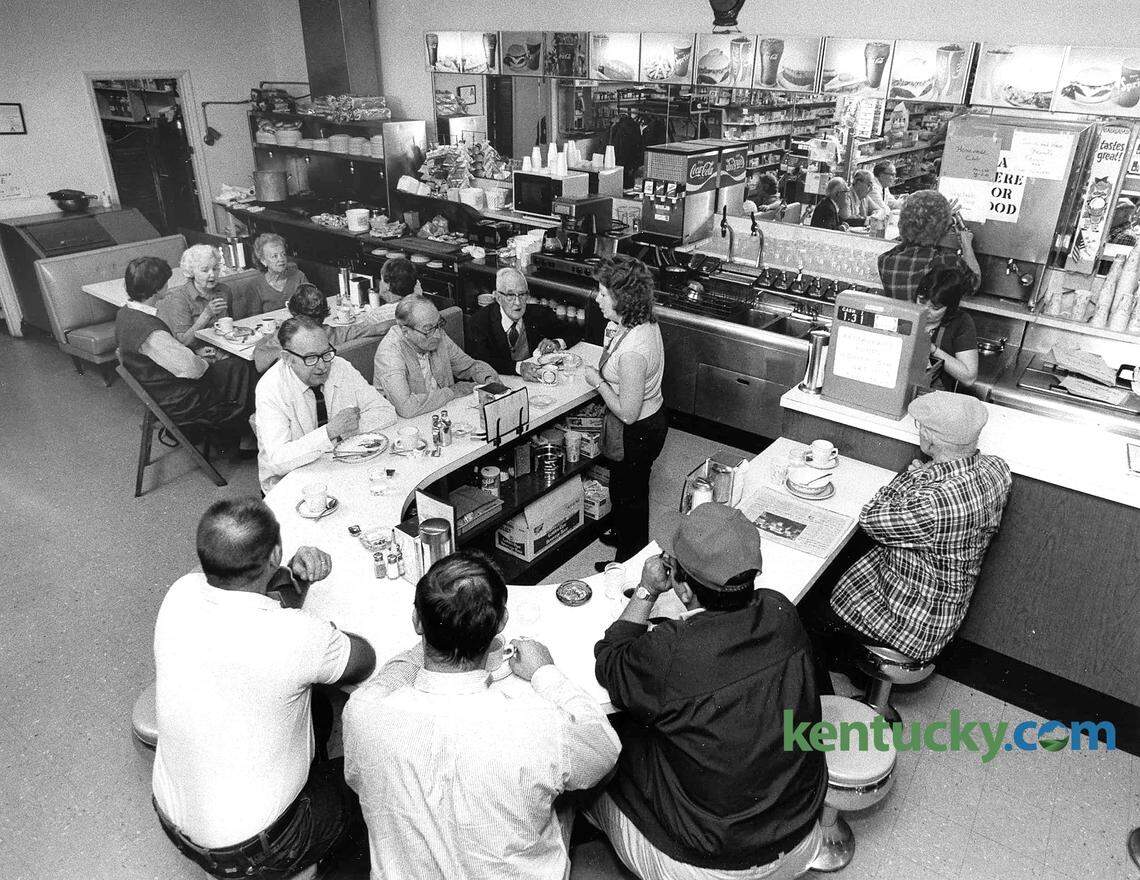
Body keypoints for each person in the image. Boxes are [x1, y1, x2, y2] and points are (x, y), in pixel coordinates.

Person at [344, 550, 620, 880]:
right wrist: (545, 672)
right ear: (501, 623)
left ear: (416, 621)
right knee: (569, 783)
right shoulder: (538, 723)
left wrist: (441, 627)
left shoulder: (363, 711)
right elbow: (605, 750)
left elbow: (387, 680)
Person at [589, 503, 827, 880]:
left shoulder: (671, 650)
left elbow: (610, 659)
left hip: (711, 864)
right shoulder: (781, 610)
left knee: (595, 764)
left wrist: (647, 590)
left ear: (681, 586)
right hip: (802, 835)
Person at [152, 497, 376, 878]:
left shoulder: (180, 593)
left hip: (173, 820)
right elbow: (364, 659)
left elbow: (255, 608)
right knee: (368, 785)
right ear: (275, 555)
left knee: (317, 708)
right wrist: (323, 634)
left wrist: (294, 581)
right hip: (252, 848)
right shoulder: (295, 637)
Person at [816, 392, 1011, 667]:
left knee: (815, 607)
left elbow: (870, 518)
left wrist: (908, 478)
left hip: (910, 624)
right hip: (943, 608)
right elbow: (948, 492)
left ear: (930, 438)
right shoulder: (997, 470)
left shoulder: (932, 505)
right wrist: (926, 474)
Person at [115, 256, 254, 445]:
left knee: (231, 366)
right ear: (156, 289)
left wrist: (194, 354)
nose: (168, 286)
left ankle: (231, 432)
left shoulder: (126, 313)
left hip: (159, 388)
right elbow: (193, 370)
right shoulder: (150, 330)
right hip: (179, 400)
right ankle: (237, 437)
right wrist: (206, 361)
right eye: (166, 282)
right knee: (240, 367)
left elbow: (166, 355)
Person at [584, 256, 667, 567]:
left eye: (603, 293)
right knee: (623, 487)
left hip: (637, 430)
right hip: (651, 419)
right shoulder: (643, 321)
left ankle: (628, 562)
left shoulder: (634, 350)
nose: (597, 298)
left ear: (622, 299)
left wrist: (597, 381)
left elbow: (627, 413)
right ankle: (622, 532)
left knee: (631, 496)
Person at [255, 316, 397, 492]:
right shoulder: (270, 387)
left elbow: (386, 412)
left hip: (340, 467)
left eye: (325, 353)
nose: (323, 366)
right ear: (287, 358)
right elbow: (278, 461)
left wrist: (343, 433)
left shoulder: (340, 366)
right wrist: (331, 432)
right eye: (311, 358)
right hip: (291, 482)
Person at [373, 294, 498, 418]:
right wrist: (452, 392)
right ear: (406, 331)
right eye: (428, 330)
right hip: (407, 425)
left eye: (439, 324)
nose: (437, 335)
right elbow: (407, 408)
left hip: (443, 412)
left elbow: (469, 366)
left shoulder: (437, 334)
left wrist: (488, 379)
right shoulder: (389, 353)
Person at [466, 267, 583, 380]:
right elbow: (480, 361)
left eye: (522, 295)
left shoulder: (538, 313)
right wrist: (518, 368)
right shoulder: (479, 322)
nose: (517, 302)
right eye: (510, 295)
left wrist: (556, 343)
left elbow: (575, 331)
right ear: (498, 297)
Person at [252, 283, 395, 373]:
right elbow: (378, 329)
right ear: (325, 313)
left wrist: (267, 339)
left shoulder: (283, 337)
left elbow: (259, 364)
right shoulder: (336, 333)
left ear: (293, 312)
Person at [877, 190, 980, 301]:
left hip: (904, 317)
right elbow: (974, 283)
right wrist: (967, 245)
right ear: (943, 228)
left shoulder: (886, 260)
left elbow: (909, 244)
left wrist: (939, 217)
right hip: (930, 318)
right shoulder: (947, 262)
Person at [158, 244, 260, 349]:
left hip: (227, 347)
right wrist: (207, 314)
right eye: (205, 270)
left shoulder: (224, 290)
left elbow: (230, 323)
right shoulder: (180, 297)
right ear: (191, 272)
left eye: (215, 268)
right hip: (198, 353)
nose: (212, 274)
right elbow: (183, 342)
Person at [917, 266, 979, 391]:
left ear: (949, 307)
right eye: (921, 302)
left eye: (935, 308)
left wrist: (932, 349)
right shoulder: (905, 311)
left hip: (936, 397)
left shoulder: (961, 322)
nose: (925, 311)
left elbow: (969, 377)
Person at [248, 233, 311, 312]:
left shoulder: (299, 276)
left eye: (283, 254)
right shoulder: (256, 285)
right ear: (263, 261)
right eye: (275, 256)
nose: (281, 259)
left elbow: (312, 306)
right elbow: (254, 319)